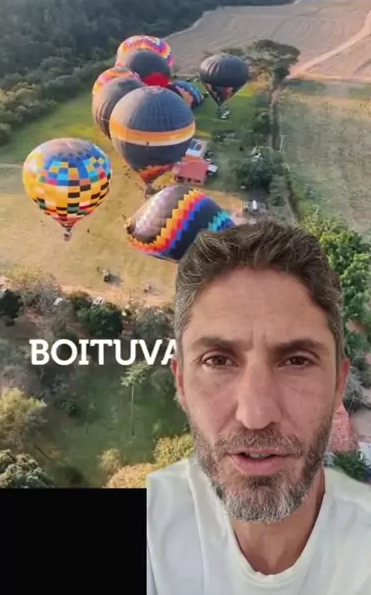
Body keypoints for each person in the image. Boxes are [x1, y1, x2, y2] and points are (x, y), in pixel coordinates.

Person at [147, 219, 371, 594]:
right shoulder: (152, 533)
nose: (255, 416)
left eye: (296, 361)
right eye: (218, 360)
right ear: (181, 382)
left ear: (338, 384)